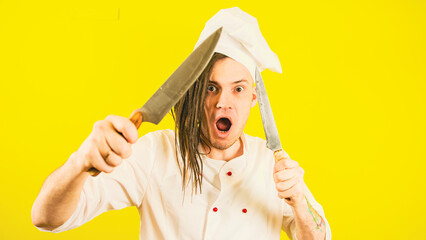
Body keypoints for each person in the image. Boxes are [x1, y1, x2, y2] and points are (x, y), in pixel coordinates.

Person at [32, 7, 331, 240]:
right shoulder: (153, 153)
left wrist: (299, 202)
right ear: (194, 91)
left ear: (253, 98)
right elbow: (46, 217)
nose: (222, 102)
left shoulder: (273, 167)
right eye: (211, 88)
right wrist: (81, 161)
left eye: (237, 89)